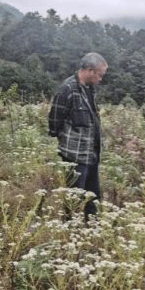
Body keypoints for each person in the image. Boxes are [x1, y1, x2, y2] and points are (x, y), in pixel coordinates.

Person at [48, 52, 108, 217]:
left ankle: (92, 227)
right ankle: (69, 227)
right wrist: (68, 141)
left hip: (92, 153)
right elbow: (54, 121)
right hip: (74, 155)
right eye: (99, 75)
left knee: (93, 196)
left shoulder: (90, 89)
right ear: (90, 70)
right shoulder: (67, 89)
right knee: (74, 198)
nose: (100, 79)